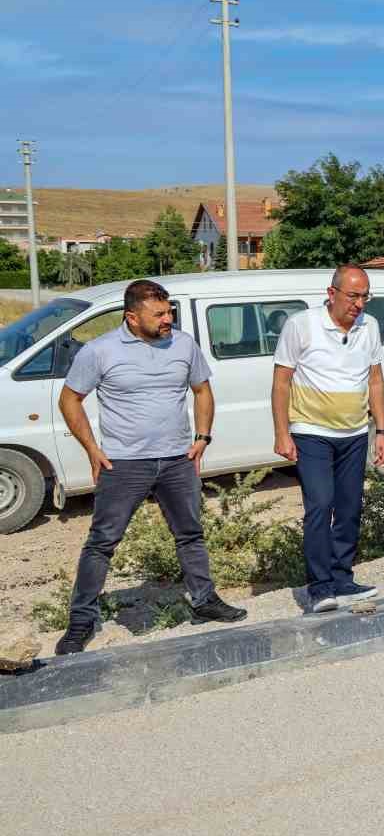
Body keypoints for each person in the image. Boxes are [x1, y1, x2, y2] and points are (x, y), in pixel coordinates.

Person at [53, 280, 246, 654]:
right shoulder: (99, 351)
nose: (167, 319)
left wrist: (202, 438)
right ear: (131, 316)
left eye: (169, 311)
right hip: (124, 463)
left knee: (190, 533)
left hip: (177, 460)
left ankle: (204, 600)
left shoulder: (184, 344)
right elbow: (69, 400)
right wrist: (92, 450)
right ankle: (81, 619)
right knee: (102, 541)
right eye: (158, 314)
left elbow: (203, 390)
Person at [271, 265, 384, 613]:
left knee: (351, 508)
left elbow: (376, 380)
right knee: (321, 505)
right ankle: (319, 587)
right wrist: (282, 432)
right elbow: (281, 382)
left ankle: (342, 578)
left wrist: (380, 431)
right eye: (353, 295)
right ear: (331, 293)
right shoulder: (301, 325)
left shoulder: (370, 327)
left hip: (354, 433)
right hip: (312, 432)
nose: (359, 303)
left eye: (365, 296)